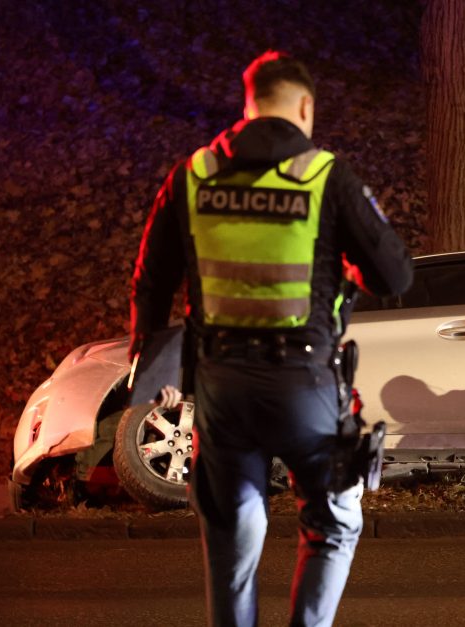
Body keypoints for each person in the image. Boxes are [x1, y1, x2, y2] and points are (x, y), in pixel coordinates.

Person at [130, 50, 413, 626]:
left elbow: (151, 281)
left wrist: (152, 371)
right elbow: (395, 277)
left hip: (219, 389)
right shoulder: (324, 176)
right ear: (305, 106)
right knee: (334, 521)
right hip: (304, 385)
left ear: (249, 103)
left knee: (232, 534)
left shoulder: (193, 175)